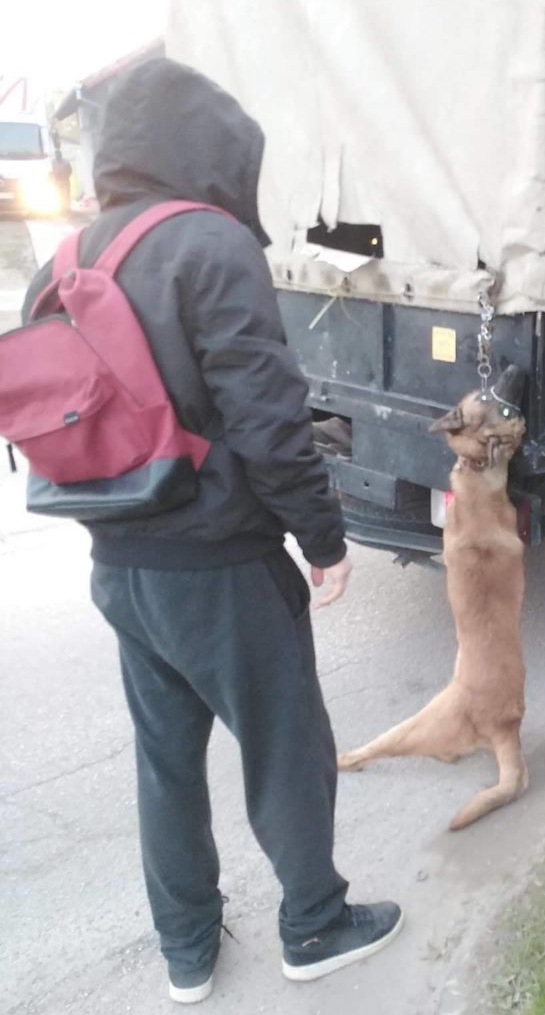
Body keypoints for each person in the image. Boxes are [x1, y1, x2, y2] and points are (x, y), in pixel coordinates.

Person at [21, 59, 402, 1004]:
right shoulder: (209, 244)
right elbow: (270, 421)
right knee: (286, 745)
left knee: (165, 761)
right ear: (207, 147)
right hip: (221, 562)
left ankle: (186, 948)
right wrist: (323, 540)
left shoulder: (62, 262)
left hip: (119, 563)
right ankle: (313, 925)